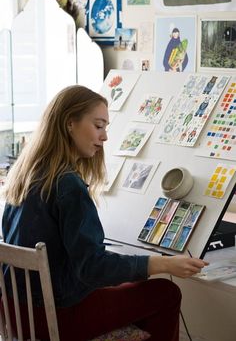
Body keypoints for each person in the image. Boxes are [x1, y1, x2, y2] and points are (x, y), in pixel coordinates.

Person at [1, 85, 208, 341]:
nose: (105, 137)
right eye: (99, 126)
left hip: (18, 314)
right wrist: (164, 263)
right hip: (58, 317)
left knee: (130, 288)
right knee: (165, 293)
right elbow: (92, 268)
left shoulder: (24, 175)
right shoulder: (67, 184)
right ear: (70, 124)